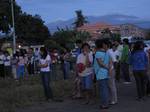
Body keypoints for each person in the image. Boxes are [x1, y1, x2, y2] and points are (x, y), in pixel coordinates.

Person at [94, 39, 111, 109]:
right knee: (105, 89)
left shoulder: (98, 53)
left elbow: (100, 64)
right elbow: (109, 62)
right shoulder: (106, 52)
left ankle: (105, 104)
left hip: (101, 73)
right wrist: (109, 69)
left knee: (103, 89)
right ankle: (106, 102)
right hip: (105, 73)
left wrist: (107, 68)